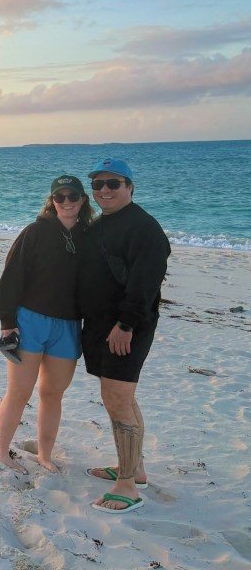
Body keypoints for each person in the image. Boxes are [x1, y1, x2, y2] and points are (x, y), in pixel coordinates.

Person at [78, 157, 170, 514]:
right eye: (98, 185)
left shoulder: (144, 228)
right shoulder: (104, 224)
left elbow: (146, 283)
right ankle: (136, 467)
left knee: (116, 397)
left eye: (113, 184)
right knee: (123, 397)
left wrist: (126, 325)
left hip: (127, 327)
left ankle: (127, 485)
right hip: (103, 325)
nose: (104, 191)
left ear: (130, 187)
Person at [0, 174, 94, 473]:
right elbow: (12, 275)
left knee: (52, 394)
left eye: (72, 196)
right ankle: (2, 452)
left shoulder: (90, 237)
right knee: (19, 391)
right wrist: (7, 321)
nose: (66, 202)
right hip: (30, 321)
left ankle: (45, 455)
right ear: (52, 201)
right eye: (59, 197)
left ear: (82, 200)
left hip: (69, 326)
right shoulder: (35, 232)